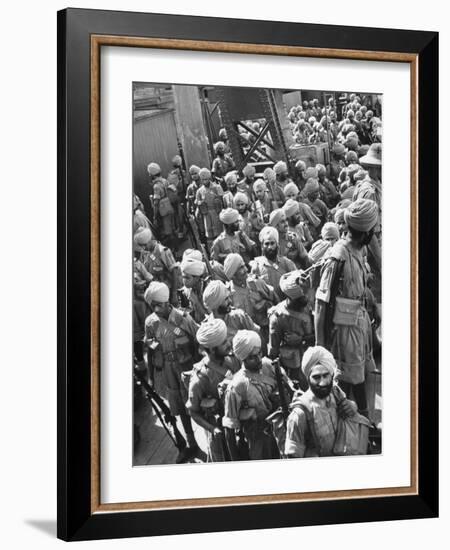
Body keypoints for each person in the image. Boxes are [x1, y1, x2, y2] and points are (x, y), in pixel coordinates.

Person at [314, 198, 379, 419]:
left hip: (359, 328)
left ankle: (362, 421)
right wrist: (320, 350)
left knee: (361, 378)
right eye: (374, 230)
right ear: (366, 232)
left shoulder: (358, 251)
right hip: (344, 334)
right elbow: (321, 305)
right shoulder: (338, 257)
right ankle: (358, 424)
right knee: (348, 383)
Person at [144, 282, 200, 462]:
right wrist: (151, 378)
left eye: (157, 305)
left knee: (197, 405)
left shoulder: (184, 319)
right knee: (180, 409)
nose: (154, 309)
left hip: (188, 367)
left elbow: (199, 342)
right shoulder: (151, 322)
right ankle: (191, 445)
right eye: (152, 306)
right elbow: (151, 351)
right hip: (168, 370)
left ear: (166, 302)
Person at [223, 330, 288, 460]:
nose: (259, 359)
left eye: (260, 353)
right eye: (252, 357)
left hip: (282, 429)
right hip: (258, 440)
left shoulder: (269, 365)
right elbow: (229, 429)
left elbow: (289, 389)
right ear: (243, 358)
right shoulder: (237, 386)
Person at [284, 346, 359, 458]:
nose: (322, 382)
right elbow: (293, 457)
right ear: (308, 378)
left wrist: (353, 406)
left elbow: (351, 412)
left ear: (331, 375)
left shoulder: (336, 393)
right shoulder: (299, 415)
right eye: (316, 377)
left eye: (325, 376)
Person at [186, 318, 236, 462]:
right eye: (224, 343)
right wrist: (212, 429)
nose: (229, 344)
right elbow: (193, 412)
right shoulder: (199, 378)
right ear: (212, 350)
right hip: (219, 433)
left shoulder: (232, 359)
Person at [268, 270, 314, 387]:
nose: (306, 298)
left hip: (314, 359)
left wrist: (302, 340)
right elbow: (274, 352)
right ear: (291, 297)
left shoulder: (311, 304)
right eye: (301, 297)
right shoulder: (277, 317)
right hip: (295, 368)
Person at [224, 253, 277, 349]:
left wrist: (264, 305)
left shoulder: (256, 282)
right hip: (246, 341)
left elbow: (275, 302)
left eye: (244, 266)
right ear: (232, 275)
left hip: (266, 334)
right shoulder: (228, 294)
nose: (246, 270)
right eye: (240, 268)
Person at [202, 280, 260, 345]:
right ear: (216, 304)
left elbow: (258, 336)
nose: (230, 301)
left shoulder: (239, 317)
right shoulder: (208, 327)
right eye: (226, 299)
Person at [133, 227, 180, 305]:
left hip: (167, 292)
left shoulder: (163, 251)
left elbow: (175, 271)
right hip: (154, 293)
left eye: (144, 245)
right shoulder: (145, 253)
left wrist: (174, 294)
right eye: (141, 246)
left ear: (149, 240)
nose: (143, 248)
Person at [251, 226, 297, 301]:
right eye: (267, 244)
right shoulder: (257, 267)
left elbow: (296, 285)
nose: (270, 247)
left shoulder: (287, 263)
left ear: (277, 245)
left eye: (272, 243)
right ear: (262, 247)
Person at [195, 167, 224, 249]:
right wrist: (200, 203)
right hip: (206, 215)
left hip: (217, 213)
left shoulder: (217, 187)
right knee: (209, 236)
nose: (204, 181)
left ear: (209, 178)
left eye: (206, 179)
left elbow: (222, 200)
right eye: (202, 179)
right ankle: (211, 250)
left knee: (219, 233)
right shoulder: (199, 191)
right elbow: (197, 202)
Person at [179, 257, 208, 323]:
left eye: (187, 278)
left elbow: (211, 317)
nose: (184, 281)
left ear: (197, 278)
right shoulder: (188, 289)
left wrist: (196, 302)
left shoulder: (207, 289)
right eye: (183, 277)